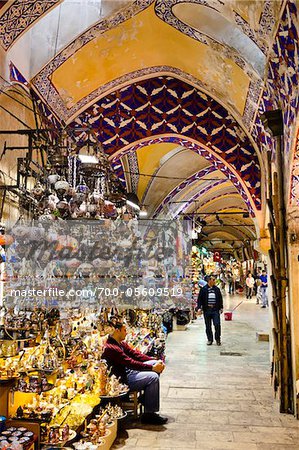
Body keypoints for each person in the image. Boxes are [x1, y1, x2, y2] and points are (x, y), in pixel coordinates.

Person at [102, 317, 168, 425]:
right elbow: (130, 362)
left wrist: (153, 360)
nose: (126, 332)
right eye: (124, 330)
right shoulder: (112, 347)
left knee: (155, 365)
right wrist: (152, 368)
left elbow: (135, 354)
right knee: (153, 377)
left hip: (129, 371)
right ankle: (149, 414)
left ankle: (147, 398)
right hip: (124, 378)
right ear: (117, 331)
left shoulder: (120, 343)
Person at [196, 275, 223, 346]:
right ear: (209, 280)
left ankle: (218, 339)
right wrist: (199, 308)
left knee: (217, 324)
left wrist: (221, 307)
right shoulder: (203, 289)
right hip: (207, 309)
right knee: (208, 326)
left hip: (215, 310)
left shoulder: (217, 289)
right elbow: (200, 300)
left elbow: (220, 299)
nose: (214, 281)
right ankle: (210, 339)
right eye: (213, 280)